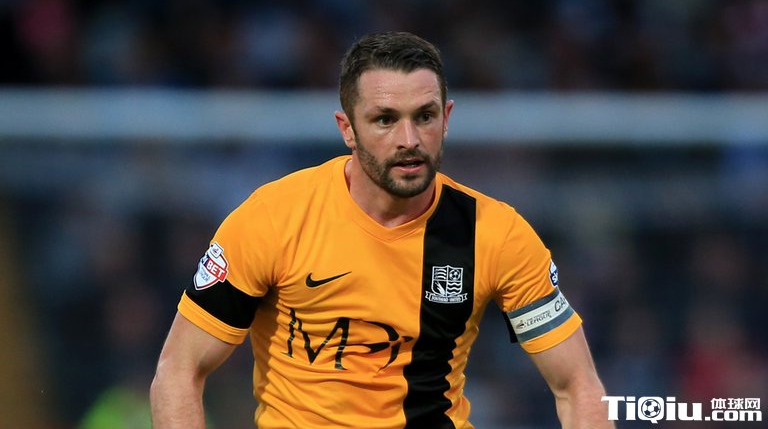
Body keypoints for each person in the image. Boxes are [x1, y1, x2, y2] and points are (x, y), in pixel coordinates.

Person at [150, 31, 612, 428]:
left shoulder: (496, 233)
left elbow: (577, 385)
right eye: (385, 120)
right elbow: (178, 371)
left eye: (425, 116)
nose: (409, 140)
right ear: (347, 129)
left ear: (447, 119)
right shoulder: (272, 219)